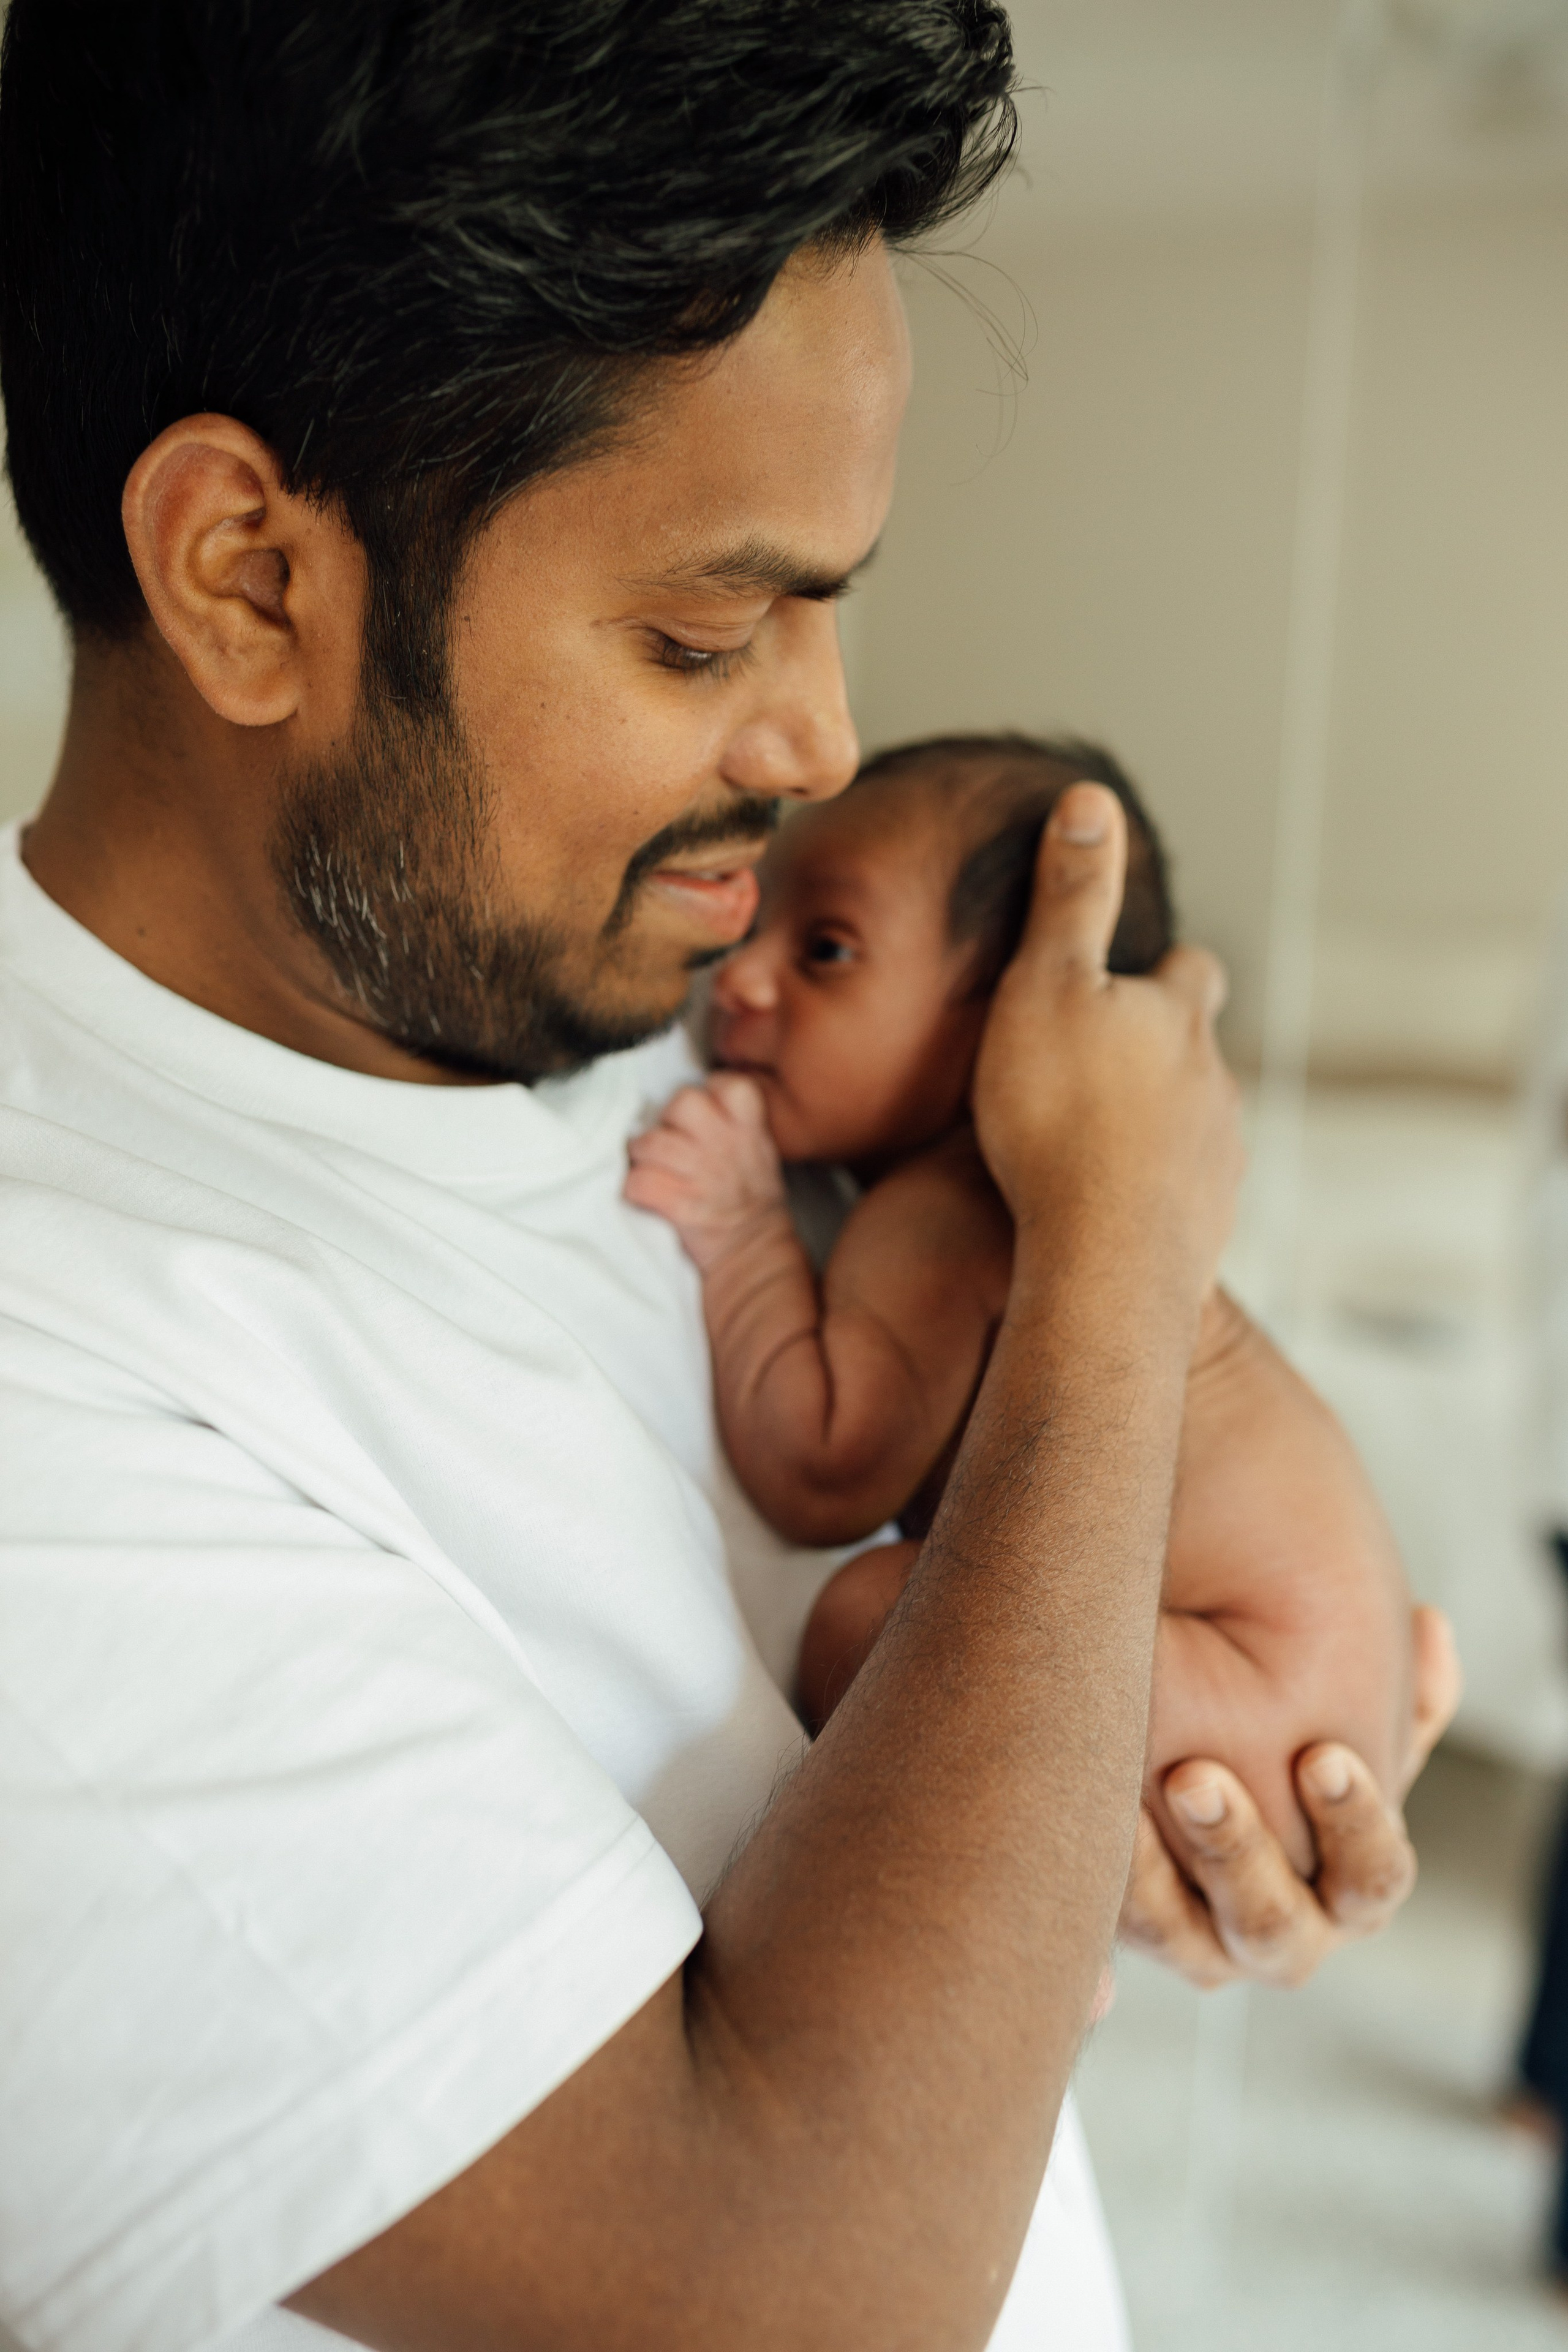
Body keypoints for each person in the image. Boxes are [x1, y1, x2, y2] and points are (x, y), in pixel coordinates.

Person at [0, 8, 1458, 2351]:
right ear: (249, 579)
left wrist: (1215, 1737)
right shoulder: (50, 1381)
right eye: (705, 628)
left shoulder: (653, 1003)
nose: (820, 738)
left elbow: (1041, 1578)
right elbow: (788, 2295)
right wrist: (1117, 1253)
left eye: (830, 597)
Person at [625, 732, 1412, 1873]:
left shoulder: (947, 1211)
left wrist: (743, 1230)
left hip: (1247, 1685)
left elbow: (825, 1470)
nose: (739, 979)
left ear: (1010, 1020)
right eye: (755, 927)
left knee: (864, 1617)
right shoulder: (959, 1196)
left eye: (827, 950)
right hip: (1316, 1697)